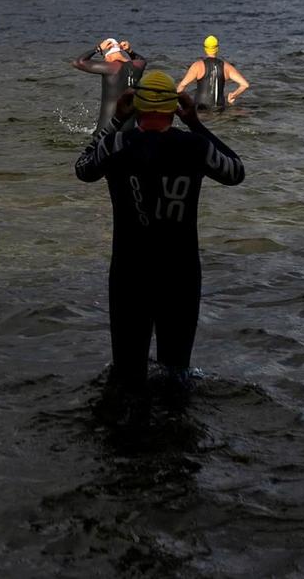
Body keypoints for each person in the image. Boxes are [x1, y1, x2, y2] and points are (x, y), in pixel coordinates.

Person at [75, 69, 245, 391]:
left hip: (129, 274)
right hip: (180, 275)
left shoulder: (117, 144)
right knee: (176, 374)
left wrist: (114, 120)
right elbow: (236, 171)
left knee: (126, 373)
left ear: (135, 106)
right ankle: (176, 431)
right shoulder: (194, 146)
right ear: (173, 109)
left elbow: (83, 169)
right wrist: (194, 122)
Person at [71, 36, 146, 135]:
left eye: (105, 58)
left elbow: (78, 62)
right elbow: (142, 60)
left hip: (107, 129)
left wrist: (97, 49)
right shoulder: (137, 66)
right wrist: (130, 51)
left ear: (108, 56)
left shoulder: (111, 68)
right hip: (129, 130)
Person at [177, 35, 248, 111]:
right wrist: (234, 95)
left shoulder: (197, 66)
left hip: (201, 109)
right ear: (217, 48)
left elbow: (181, 86)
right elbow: (245, 85)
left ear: (205, 48)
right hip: (219, 109)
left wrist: (182, 104)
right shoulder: (226, 67)